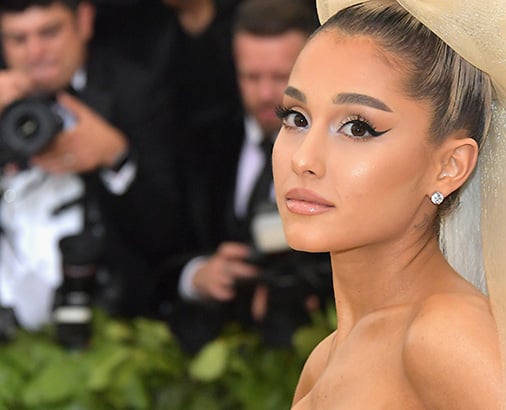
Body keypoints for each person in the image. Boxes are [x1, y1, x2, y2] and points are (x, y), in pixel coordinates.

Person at [273, 0, 506, 408]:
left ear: (450, 166)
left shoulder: (445, 336)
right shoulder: (325, 359)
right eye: (296, 118)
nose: (303, 160)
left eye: (357, 128)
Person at [157, 0, 330, 353]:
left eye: (281, 77)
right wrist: (199, 274)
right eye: (251, 77)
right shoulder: (200, 142)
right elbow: (159, 251)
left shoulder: (345, 154)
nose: (265, 93)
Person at [0, 0, 183, 329]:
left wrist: (117, 158)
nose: (35, 52)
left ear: (83, 21)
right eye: (18, 39)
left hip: (109, 319)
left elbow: (172, 235)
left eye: (50, 32)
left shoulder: (135, 92)